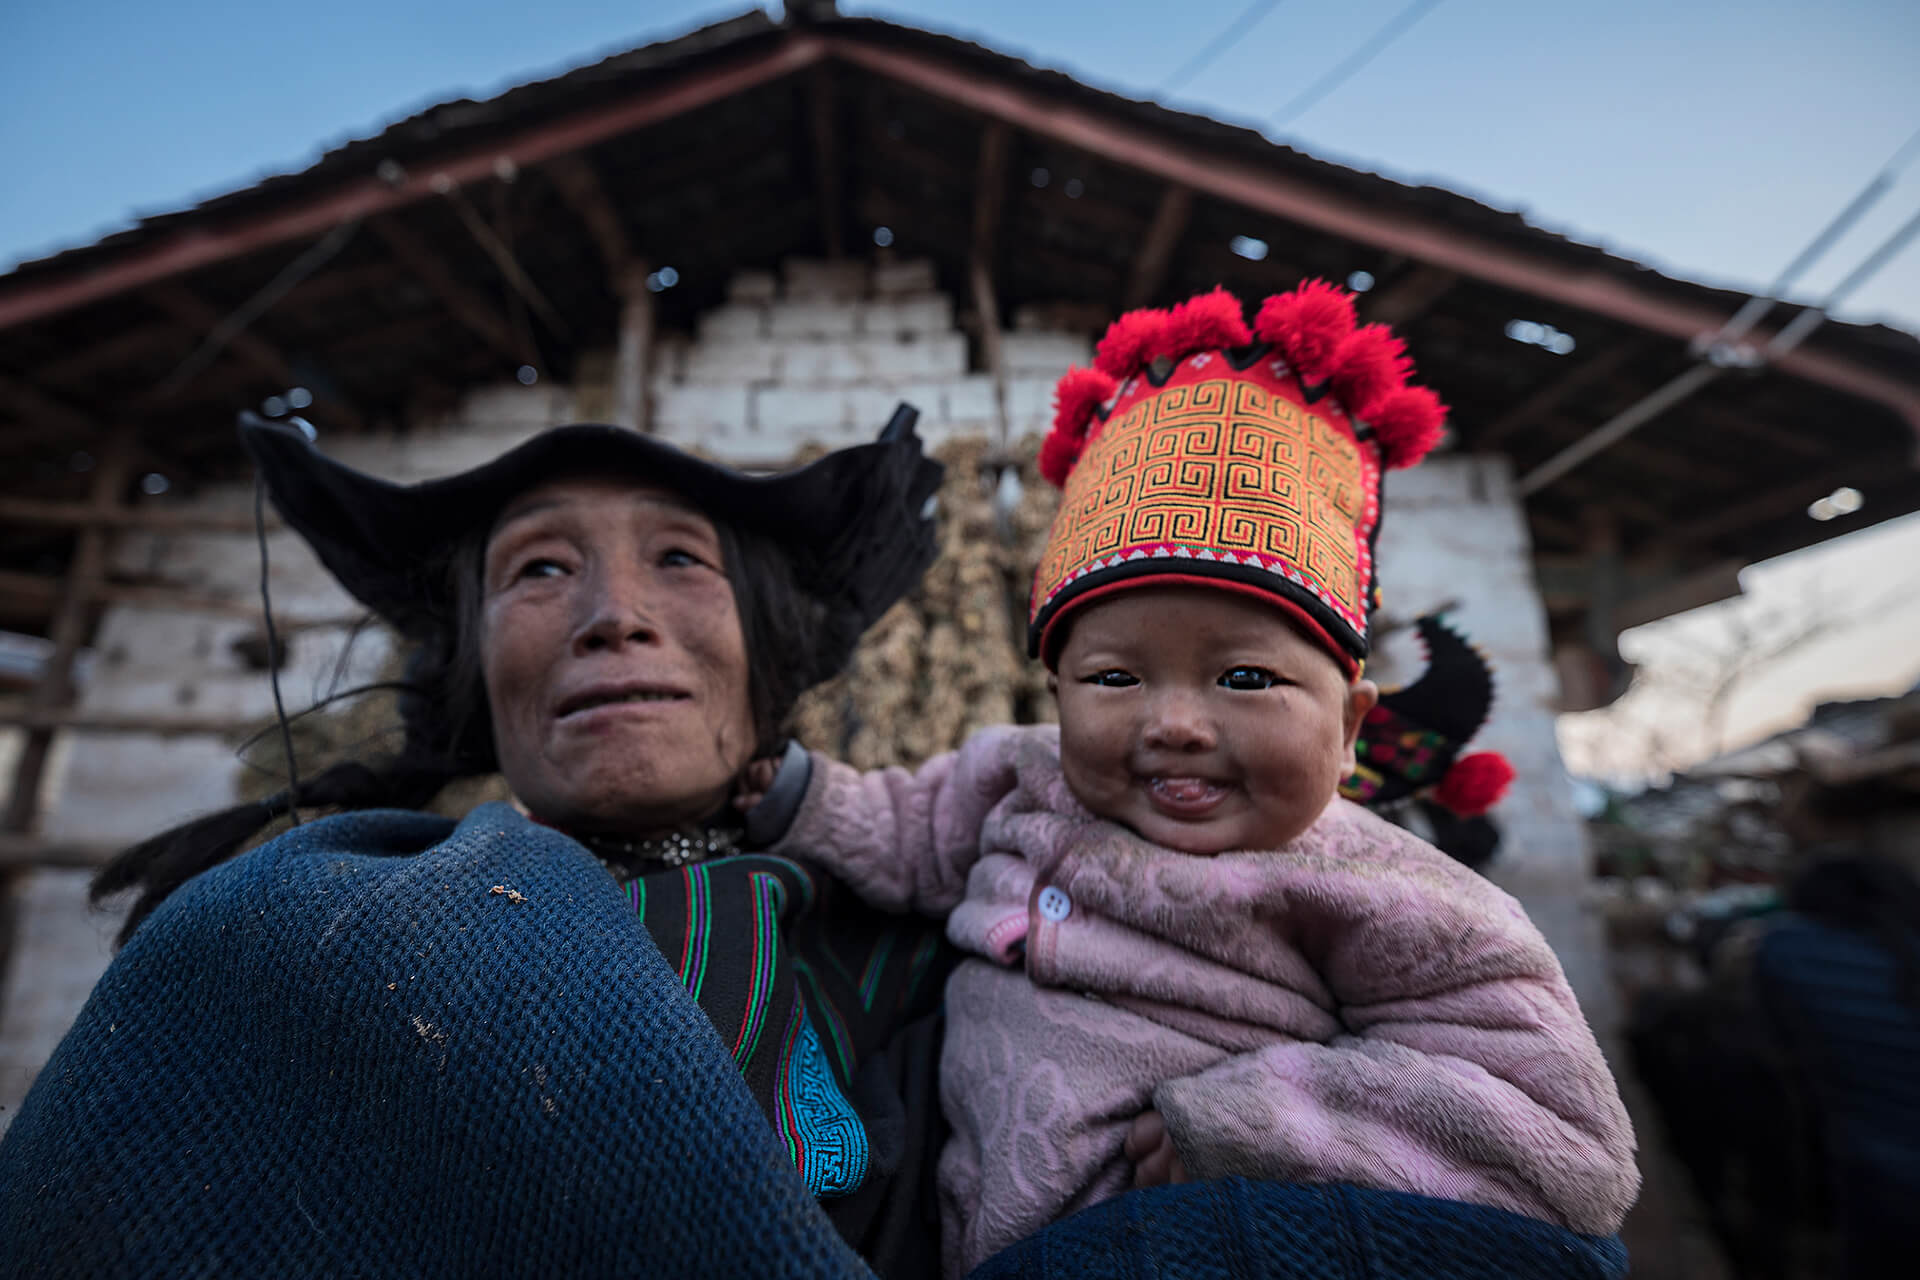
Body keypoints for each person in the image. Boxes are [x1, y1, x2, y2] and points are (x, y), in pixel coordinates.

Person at [1, 387, 1632, 1280]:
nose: (615, 616)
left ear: (767, 659)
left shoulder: (972, 943)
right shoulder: (298, 934)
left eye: (682, 564)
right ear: (474, 661)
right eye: (540, 569)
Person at [751, 285, 1640, 1277]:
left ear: (1349, 723)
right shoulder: (1019, 776)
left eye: (1246, 677)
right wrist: (789, 793)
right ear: (1055, 692)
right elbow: (905, 829)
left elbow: (1563, 1139)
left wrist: (1258, 1122)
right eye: (1114, 677)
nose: (1172, 722)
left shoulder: (1391, 889)